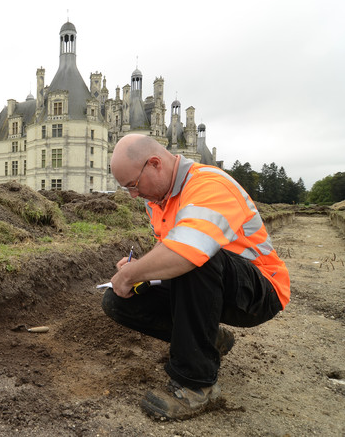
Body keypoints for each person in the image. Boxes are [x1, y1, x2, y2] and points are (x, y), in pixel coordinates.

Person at [103, 134, 290, 420]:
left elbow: (189, 251)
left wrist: (131, 273)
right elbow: (168, 248)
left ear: (154, 164)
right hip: (213, 281)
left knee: (196, 258)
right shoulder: (158, 200)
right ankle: (210, 339)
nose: (134, 195)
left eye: (133, 185)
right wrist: (139, 269)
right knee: (117, 300)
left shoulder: (209, 185)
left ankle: (195, 386)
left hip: (261, 290)